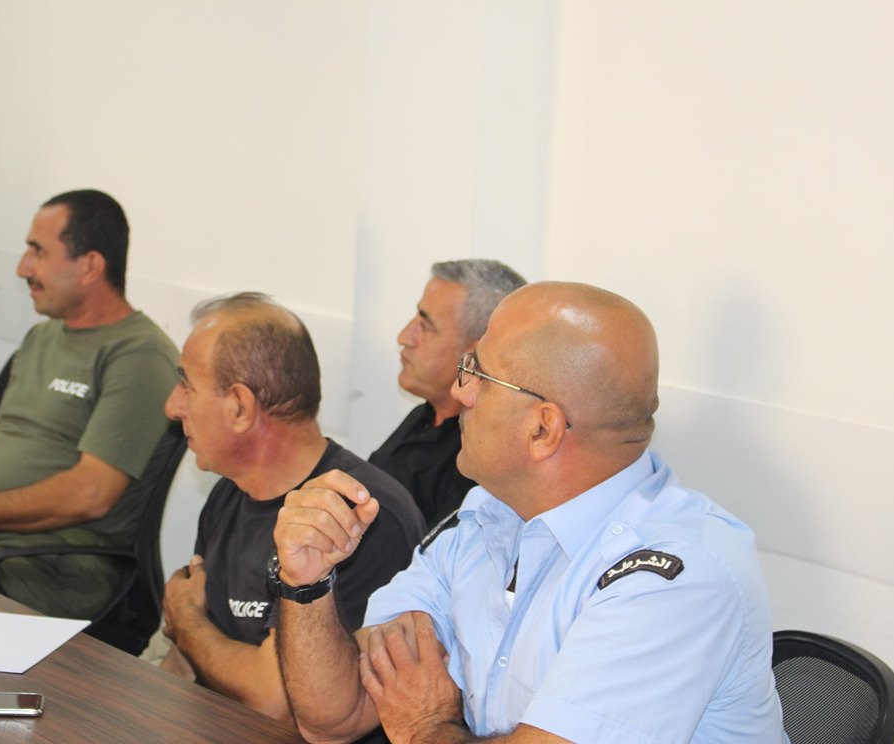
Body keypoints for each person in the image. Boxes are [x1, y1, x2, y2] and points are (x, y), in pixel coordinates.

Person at [272, 282, 788, 743]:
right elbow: (336, 718)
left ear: (543, 429)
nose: (459, 391)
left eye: (477, 374)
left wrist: (425, 729)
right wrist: (307, 585)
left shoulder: (677, 580)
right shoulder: (486, 517)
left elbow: (409, 720)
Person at [160, 292, 425, 729]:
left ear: (240, 407)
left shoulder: (360, 517)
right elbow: (187, 664)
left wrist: (185, 621)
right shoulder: (228, 495)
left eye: (186, 385)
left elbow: (274, 702)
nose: (172, 407)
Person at [0, 189, 178, 618]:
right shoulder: (41, 338)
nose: (23, 268)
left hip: (51, 562)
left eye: (38, 251)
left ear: (90, 265)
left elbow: (90, 494)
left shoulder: (139, 354)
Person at [369, 259, 525, 528]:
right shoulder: (425, 415)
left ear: (477, 351)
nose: (404, 337)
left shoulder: (478, 461)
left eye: (426, 325)